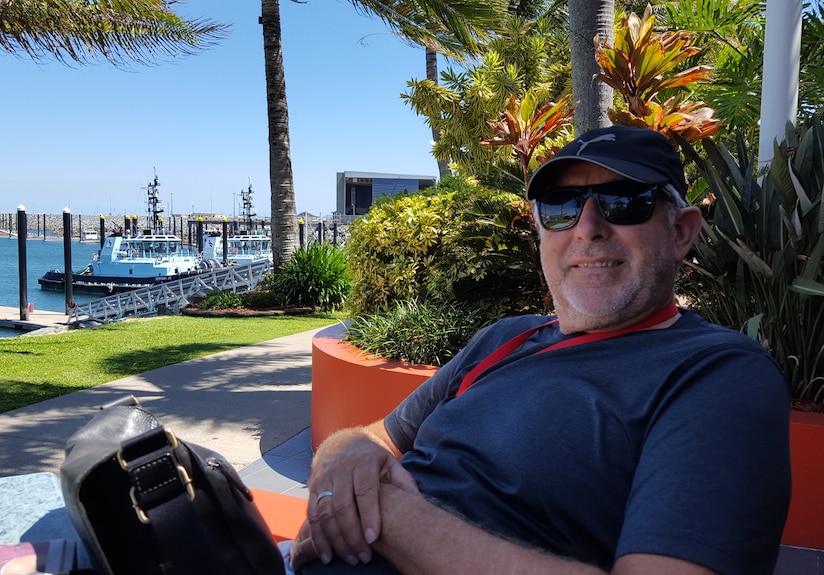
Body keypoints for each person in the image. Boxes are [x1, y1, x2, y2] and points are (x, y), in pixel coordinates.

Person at [288, 125, 792, 575]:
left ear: (681, 232)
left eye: (623, 201)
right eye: (561, 207)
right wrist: (346, 455)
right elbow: (375, 437)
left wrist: (385, 513)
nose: (588, 227)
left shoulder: (717, 374)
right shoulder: (506, 337)